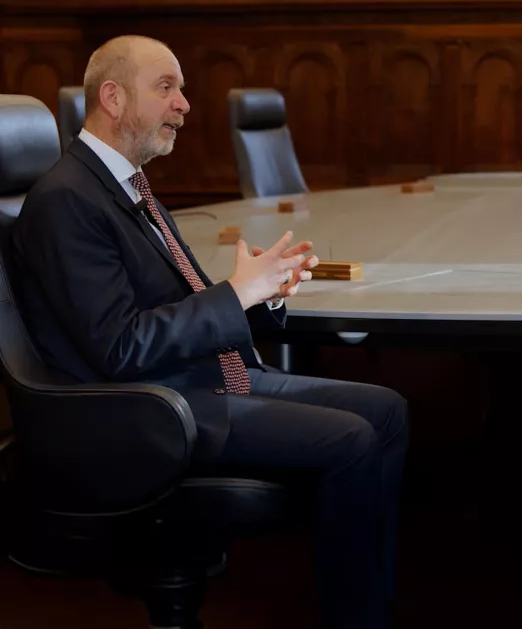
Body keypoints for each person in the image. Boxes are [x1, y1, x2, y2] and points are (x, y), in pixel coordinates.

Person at [10, 35, 408, 629]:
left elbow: (178, 306)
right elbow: (119, 347)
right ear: (113, 98)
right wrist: (237, 293)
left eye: (182, 89)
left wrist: (264, 292)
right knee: (352, 439)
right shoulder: (66, 199)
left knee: (388, 410)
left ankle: (371, 606)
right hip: (150, 407)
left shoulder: (125, 184)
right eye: (166, 88)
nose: (185, 104)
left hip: (204, 376)